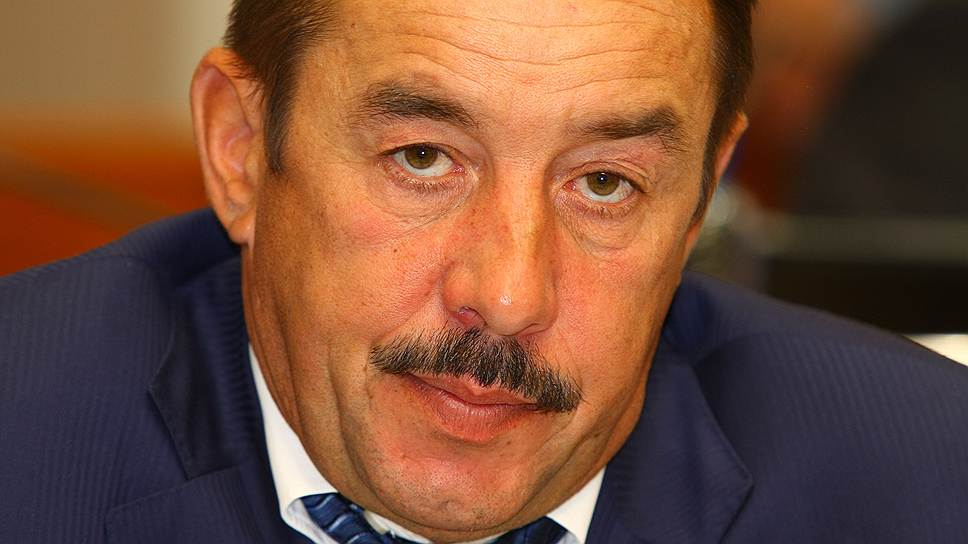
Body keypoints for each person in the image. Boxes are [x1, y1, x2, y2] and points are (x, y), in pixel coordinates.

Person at [2, 1, 968, 543]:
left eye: (605, 183)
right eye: (423, 158)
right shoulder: (25, 447)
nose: (508, 297)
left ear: (700, 199)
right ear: (242, 150)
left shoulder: (928, 485)